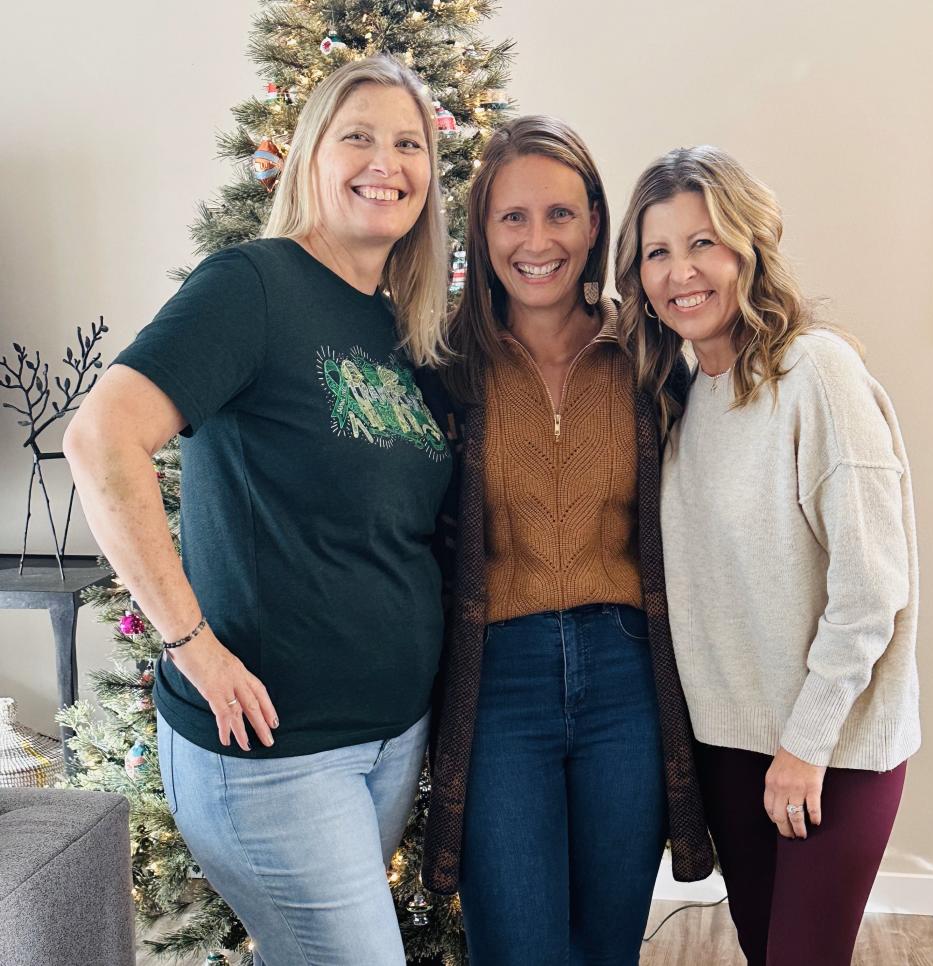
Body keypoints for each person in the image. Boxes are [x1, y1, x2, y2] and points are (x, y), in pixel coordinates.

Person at [64, 55, 453, 966]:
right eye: (358, 135)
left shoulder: (396, 323)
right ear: (312, 152)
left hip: (387, 741)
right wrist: (188, 642)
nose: (384, 161)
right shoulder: (252, 285)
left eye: (407, 144)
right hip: (274, 756)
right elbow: (101, 440)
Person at [615, 145, 920, 966]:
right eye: (657, 252)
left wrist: (804, 746)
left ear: (750, 246)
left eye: (703, 242)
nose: (682, 271)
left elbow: (870, 590)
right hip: (730, 749)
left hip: (833, 749)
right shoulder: (683, 400)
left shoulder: (816, 373)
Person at [420, 116, 714, 966]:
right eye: (513, 217)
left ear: (594, 223)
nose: (538, 240)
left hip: (626, 673)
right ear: (481, 231)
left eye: (560, 214)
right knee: (518, 947)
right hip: (497, 680)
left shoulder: (652, 355)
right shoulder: (443, 366)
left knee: (607, 945)